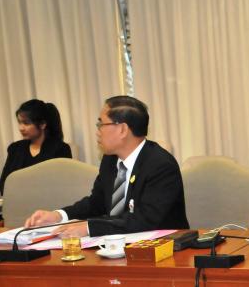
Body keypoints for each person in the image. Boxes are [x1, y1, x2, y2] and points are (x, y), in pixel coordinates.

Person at [25, 95, 189, 236]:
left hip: (163, 249)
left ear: (122, 129)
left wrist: (88, 228)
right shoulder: (110, 159)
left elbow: (145, 220)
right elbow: (96, 203)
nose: (98, 131)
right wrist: (59, 216)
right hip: (117, 245)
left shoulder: (160, 165)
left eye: (101, 124)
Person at [0, 99, 72, 194]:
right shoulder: (14, 149)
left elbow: (63, 186)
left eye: (26, 123)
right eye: (19, 122)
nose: (21, 128)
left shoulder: (60, 149)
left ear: (42, 124)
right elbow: (4, 184)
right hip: (17, 199)